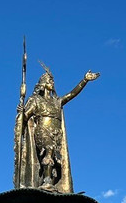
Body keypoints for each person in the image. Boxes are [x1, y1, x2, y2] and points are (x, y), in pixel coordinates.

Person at [13, 56, 99, 194]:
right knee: (48, 150)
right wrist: (21, 113)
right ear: (42, 83)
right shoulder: (35, 100)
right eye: (49, 81)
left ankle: (50, 181)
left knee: (55, 158)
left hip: (56, 131)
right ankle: (46, 181)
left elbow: (71, 94)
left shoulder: (57, 101)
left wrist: (85, 80)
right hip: (42, 130)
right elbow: (25, 117)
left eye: (52, 80)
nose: (52, 83)